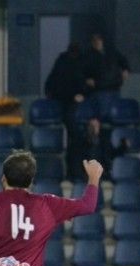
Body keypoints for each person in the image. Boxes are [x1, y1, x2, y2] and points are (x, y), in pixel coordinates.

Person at [44, 43, 96, 182]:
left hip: (73, 108)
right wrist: (75, 95)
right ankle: (75, 173)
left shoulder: (71, 63)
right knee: (76, 142)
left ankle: (77, 174)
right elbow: (59, 86)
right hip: (68, 106)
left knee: (78, 142)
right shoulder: (65, 64)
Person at [82, 33, 129, 100]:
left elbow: (123, 60)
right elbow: (82, 71)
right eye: (94, 40)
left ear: (102, 41)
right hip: (99, 90)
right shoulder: (88, 56)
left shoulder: (112, 52)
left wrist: (126, 69)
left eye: (99, 39)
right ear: (92, 43)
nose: (97, 42)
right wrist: (87, 80)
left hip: (115, 87)